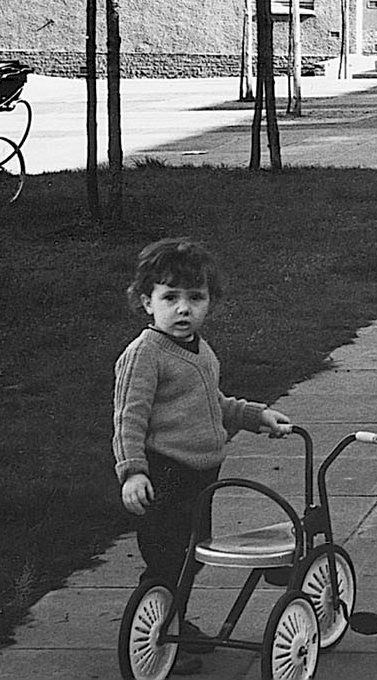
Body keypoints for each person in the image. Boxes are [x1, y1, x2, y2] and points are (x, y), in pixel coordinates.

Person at [114, 238, 298, 606]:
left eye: (196, 298)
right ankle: (161, 634)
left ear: (210, 301)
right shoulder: (145, 354)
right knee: (168, 559)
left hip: (200, 474)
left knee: (191, 557)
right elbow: (128, 418)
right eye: (170, 298)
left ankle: (176, 624)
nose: (184, 309)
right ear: (147, 302)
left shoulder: (197, 347)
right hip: (165, 473)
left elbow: (210, 401)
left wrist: (254, 415)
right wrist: (133, 471)